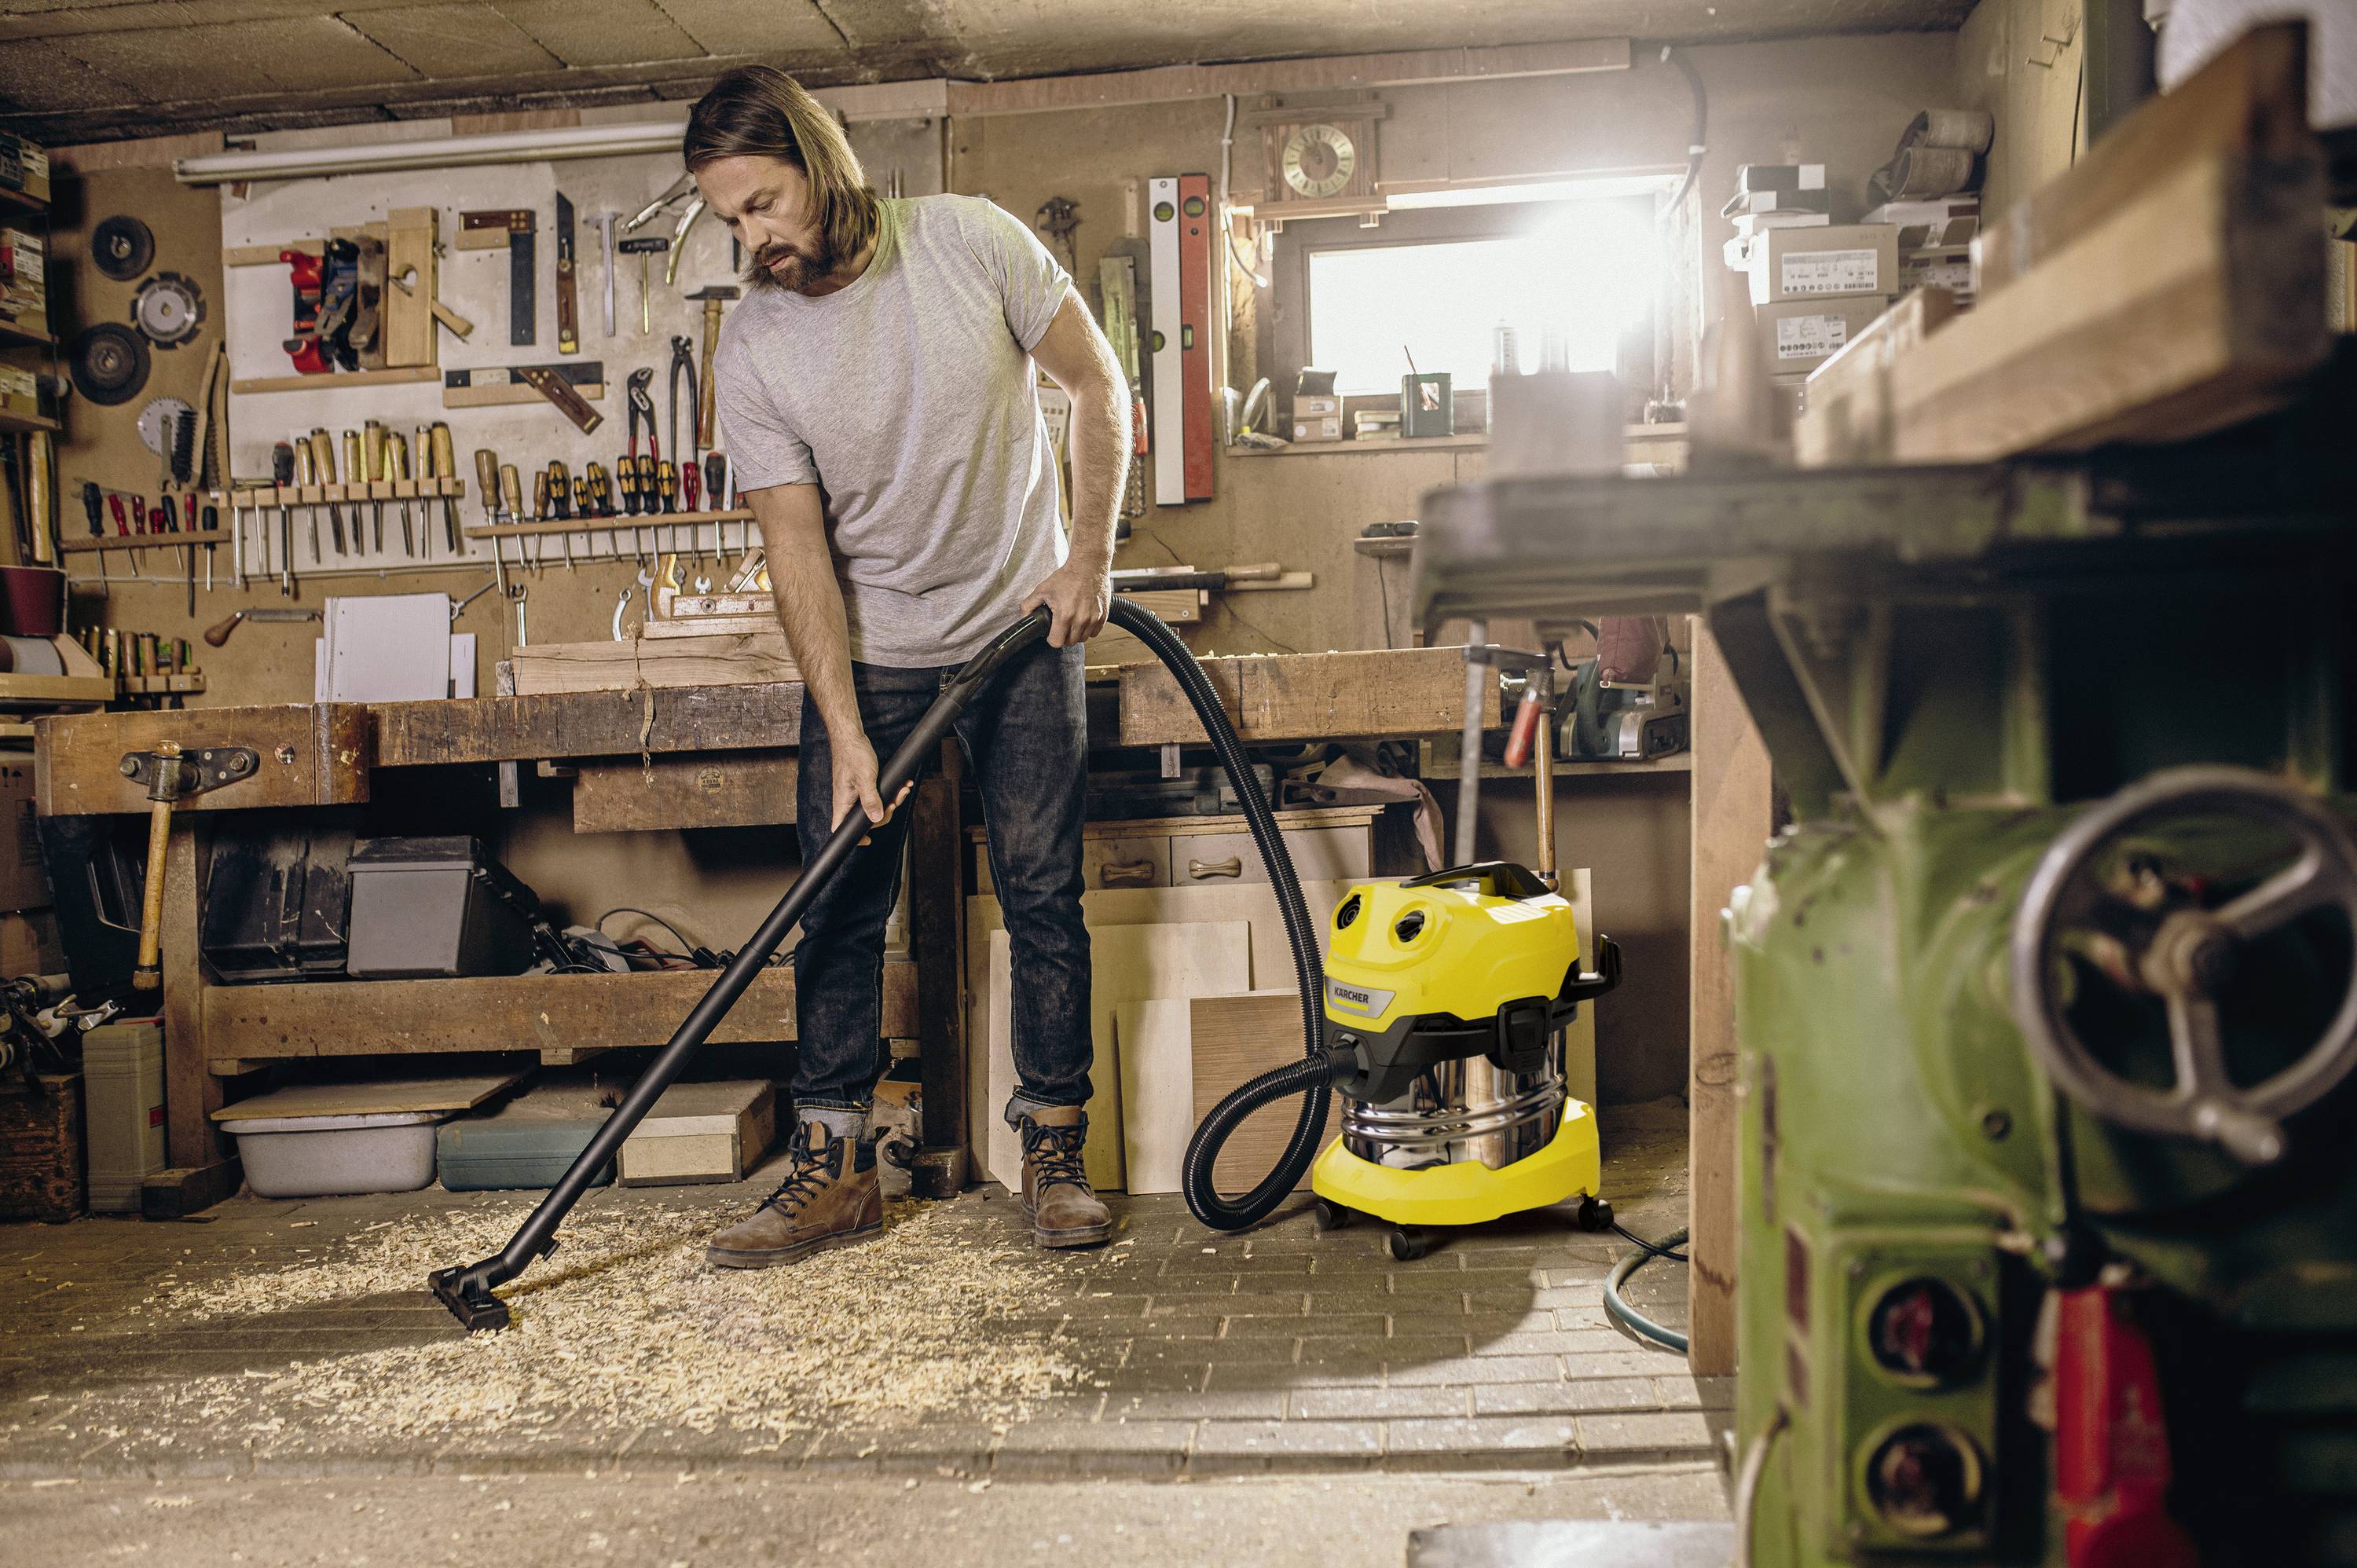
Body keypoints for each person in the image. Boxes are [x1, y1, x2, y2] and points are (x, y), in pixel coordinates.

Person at [687, 66, 1131, 1264]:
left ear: (822, 164)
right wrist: (842, 728)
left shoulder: (970, 244)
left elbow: (1099, 387)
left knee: (1041, 888)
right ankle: (833, 1169)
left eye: (765, 204)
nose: (753, 239)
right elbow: (795, 550)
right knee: (837, 899)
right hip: (873, 651)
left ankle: (1051, 1149)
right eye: (730, 219)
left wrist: (1086, 560)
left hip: (1018, 629)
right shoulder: (759, 345)